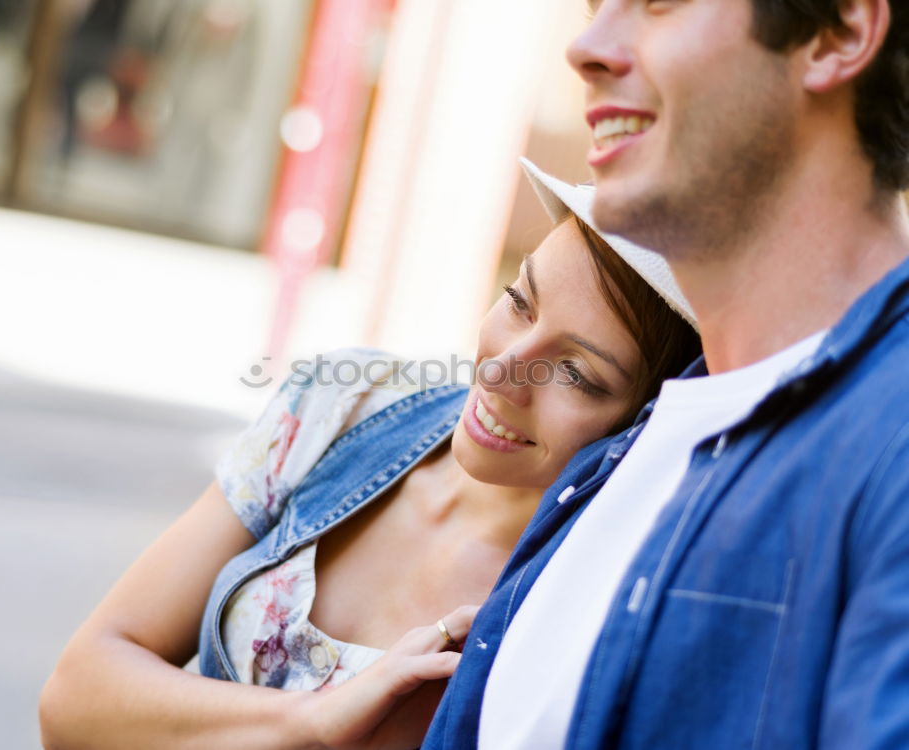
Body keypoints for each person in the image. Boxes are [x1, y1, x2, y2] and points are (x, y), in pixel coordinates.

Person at [37, 159, 700, 750]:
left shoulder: (585, 603)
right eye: (520, 302)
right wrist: (313, 726)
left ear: (644, 420)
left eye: (577, 374)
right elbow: (74, 700)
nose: (503, 371)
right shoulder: (342, 400)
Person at [423, 0, 909, 748]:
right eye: (595, 5)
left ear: (838, 32)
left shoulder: (886, 449)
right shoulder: (643, 439)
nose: (586, 47)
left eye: (655, 4)